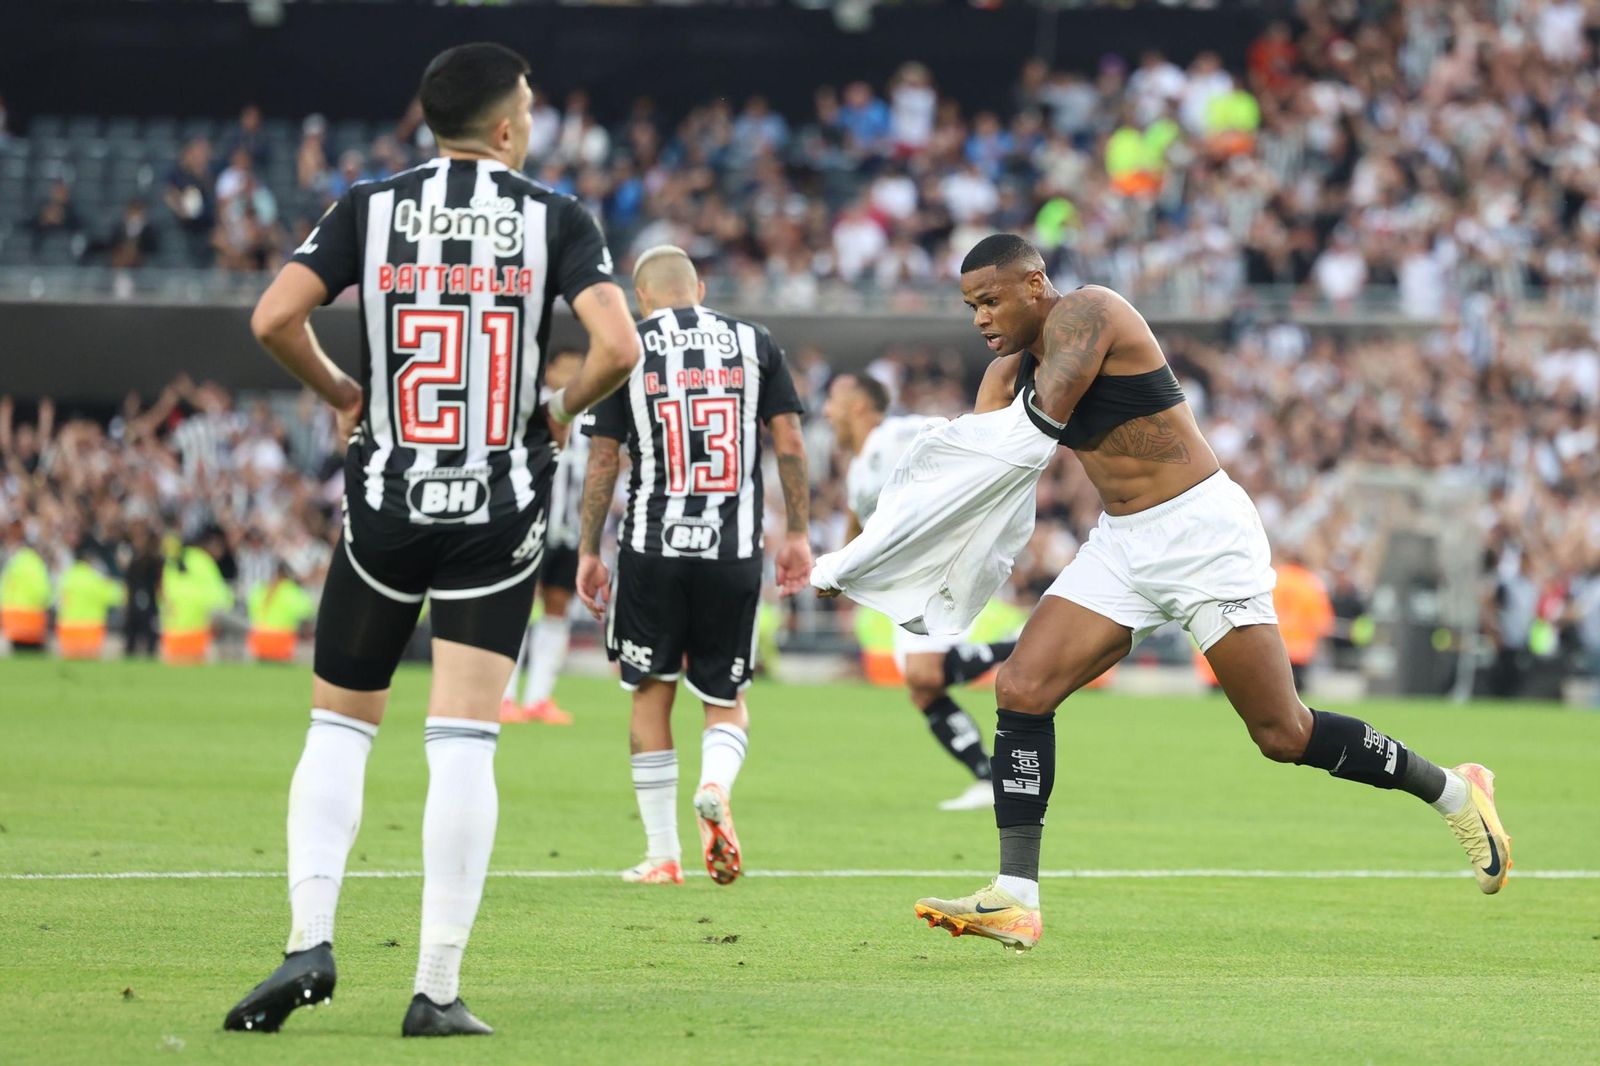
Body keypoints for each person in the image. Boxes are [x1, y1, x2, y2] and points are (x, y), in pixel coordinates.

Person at [839, 235, 1508, 952]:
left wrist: (975, 430)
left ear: (1035, 284)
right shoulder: (1009, 370)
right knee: (1022, 688)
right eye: (970, 306)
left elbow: (1037, 427)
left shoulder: (1091, 314)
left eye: (990, 300)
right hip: (1123, 545)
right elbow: (977, 473)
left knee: (1283, 734)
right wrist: (876, 548)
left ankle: (1455, 791)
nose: (979, 319)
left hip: (1201, 535)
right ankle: (1015, 898)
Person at [224, 43, 641, 1038]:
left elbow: (274, 315)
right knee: (461, 737)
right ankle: (435, 986)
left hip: (387, 496)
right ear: (507, 127)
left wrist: (340, 394)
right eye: (530, 107)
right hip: (494, 503)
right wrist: (554, 408)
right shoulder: (554, 216)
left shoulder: (370, 206)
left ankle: (307, 941)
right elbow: (618, 345)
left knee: (339, 725)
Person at [575, 244, 812, 887]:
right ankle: (714, 783)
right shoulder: (755, 341)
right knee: (725, 698)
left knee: (651, 695)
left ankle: (662, 855)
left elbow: (602, 462)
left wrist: (589, 549)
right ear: (700, 287)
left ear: (640, 297)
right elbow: (789, 441)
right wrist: (797, 533)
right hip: (732, 550)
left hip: (652, 549)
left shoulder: (624, 345)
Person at [822, 371, 1014, 811]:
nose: (826, 412)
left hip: (941, 562)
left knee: (924, 675)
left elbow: (949, 432)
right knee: (922, 687)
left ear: (858, 405)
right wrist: (834, 574)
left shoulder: (896, 434)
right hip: (909, 582)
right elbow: (857, 531)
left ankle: (1019, 645)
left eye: (833, 401)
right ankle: (987, 779)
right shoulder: (859, 470)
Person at [501, 347, 587, 725]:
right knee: (517, 607)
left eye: (578, 370)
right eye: (565, 368)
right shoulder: (529, 409)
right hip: (528, 523)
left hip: (569, 529)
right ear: (548, 370)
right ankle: (503, 696)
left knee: (557, 607)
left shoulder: (590, 413)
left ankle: (539, 698)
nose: (571, 377)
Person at [56, 544, 125, 660]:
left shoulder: (66, 578)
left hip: (68, 629)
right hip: (90, 629)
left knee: (70, 665)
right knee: (89, 668)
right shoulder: (94, 578)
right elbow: (115, 596)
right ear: (88, 560)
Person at [0, 523, 50, 653]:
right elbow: (42, 590)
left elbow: (5, 587)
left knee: (19, 654)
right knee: (33, 656)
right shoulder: (35, 563)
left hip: (12, 617)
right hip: (31, 617)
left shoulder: (14, 562)